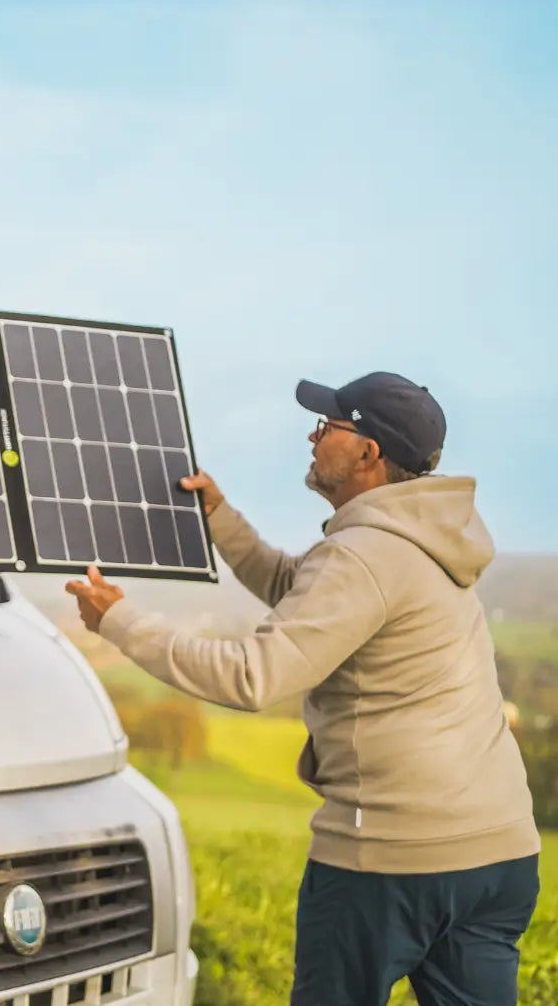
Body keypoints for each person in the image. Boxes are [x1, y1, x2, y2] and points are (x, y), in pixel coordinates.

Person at [66, 371, 539, 1006]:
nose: (314, 436)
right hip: (499, 853)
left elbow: (251, 675)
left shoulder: (364, 554)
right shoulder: (426, 538)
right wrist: (220, 518)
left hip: (393, 859)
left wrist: (120, 622)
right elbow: (303, 590)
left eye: (329, 426)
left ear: (368, 453)